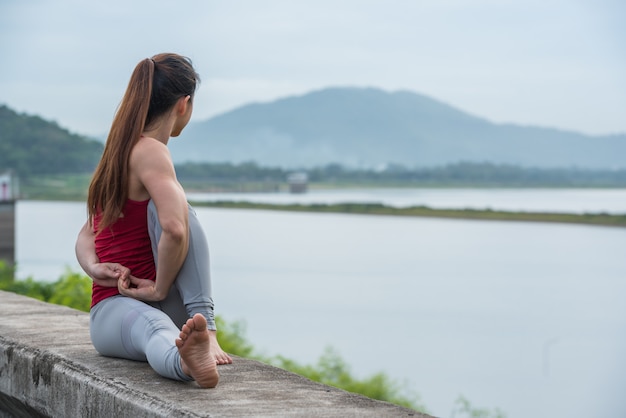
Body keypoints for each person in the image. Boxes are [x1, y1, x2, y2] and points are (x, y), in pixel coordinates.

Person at [75, 53, 231, 389]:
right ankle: (186, 361)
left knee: (180, 212)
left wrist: (93, 267)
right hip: (119, 307)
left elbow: (87, 234)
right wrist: (160, 287)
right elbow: (174, 228)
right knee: (155, 329)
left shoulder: (117, 151)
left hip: (132, 306)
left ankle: (201, 335)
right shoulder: (151, 151)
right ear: (183, 105)